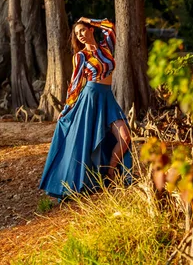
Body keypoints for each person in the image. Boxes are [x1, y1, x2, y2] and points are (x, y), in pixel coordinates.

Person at [39, 17, 132, 199]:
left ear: (90, 30)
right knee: (86, 141)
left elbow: (110, 27)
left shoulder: (106, 48)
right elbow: (75, 84)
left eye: (83, 30)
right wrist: (66, 109)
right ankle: (85, 181)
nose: (80, 35)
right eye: (77, 33)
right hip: (90, 98)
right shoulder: (80, 56)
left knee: (125, 136)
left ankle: (110, 172)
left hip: (107, 98)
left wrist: (89, 20)